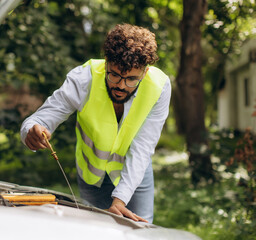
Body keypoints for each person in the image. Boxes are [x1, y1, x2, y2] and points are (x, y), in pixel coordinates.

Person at [20, 24, 171, 223]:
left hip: (136, 173)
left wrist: (119, 201)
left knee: (140, 232)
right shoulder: (84, 78)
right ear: (107, 62)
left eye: (132, 79)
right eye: (115, 74)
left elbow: (143, 147)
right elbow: (40, 119)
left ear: (145, 72)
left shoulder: (159, 87)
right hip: (92, 178)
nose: (121, 86)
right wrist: (31, 130)